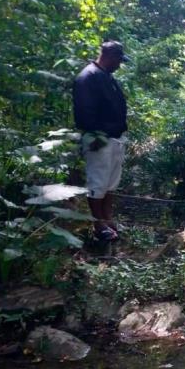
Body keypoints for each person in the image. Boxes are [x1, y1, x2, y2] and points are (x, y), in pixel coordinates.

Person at [72, 41, 130, 242]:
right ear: (110, 56)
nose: (119, 65)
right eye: (118, 61)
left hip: (115, 137)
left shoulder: (108, 77)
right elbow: (83, 113)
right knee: (97, 181)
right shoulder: (88, 77)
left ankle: (108, 218)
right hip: (99, 139)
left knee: (110, 183)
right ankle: (98, 224)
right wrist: (96, 135)